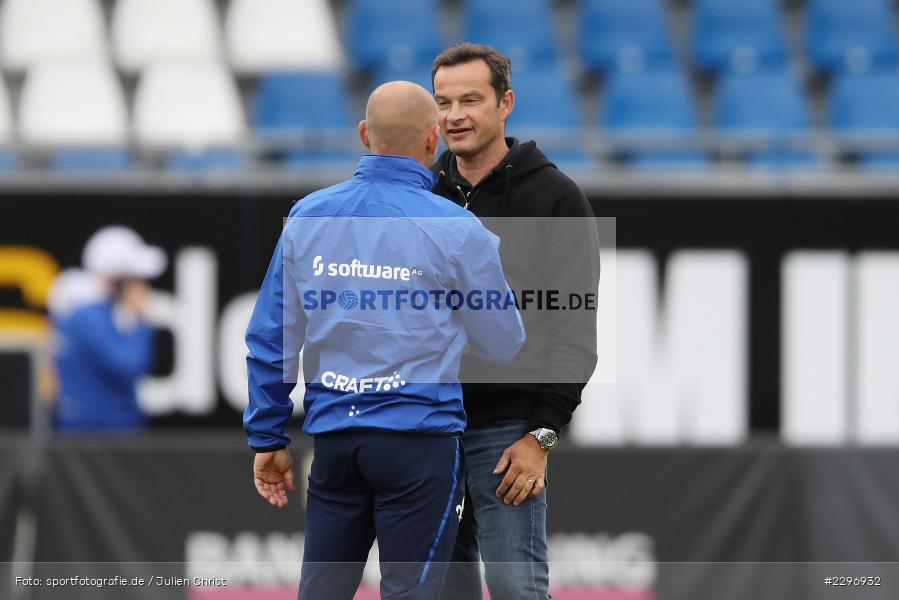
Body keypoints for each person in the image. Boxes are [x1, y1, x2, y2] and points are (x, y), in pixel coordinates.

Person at [243, 81, 526, 600]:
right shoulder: (459, 229)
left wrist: (267, 436)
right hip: (419, 443)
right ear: (432, 139)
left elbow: (270, 338)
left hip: (336, 441)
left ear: (364, 136)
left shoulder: (307, 216)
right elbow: (503, 343)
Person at [429, 44, 601, 599]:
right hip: (426, 427)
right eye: (443, 101)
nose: (454, 114)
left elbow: (575, 332)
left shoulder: (556, 198)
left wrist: (540, 437)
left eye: (470, 99)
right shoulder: (420, 195)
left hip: (507, 434)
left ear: (506, 104)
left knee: (515, 589)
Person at [49, 226, 166, 432]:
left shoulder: (82, 309)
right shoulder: (88, 315)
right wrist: (140, 319)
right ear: (116, 279)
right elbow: (129, 365)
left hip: (94, 432)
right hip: (97, 435)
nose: (142, 287)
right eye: (134, 279)